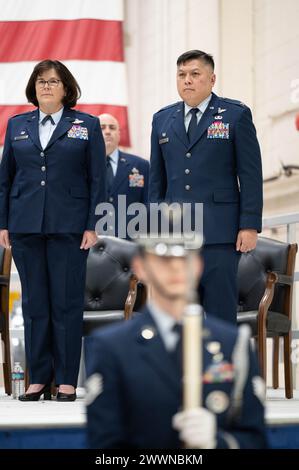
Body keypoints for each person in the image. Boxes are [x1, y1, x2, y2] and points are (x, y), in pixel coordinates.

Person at [85, 230, 267, 449]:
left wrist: (218, 443)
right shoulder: (112, 347)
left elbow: (255, 439)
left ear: (198, 266)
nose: (175, 267)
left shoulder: (232, 343)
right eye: (162, 259)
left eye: (184, 258)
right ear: (141, 268)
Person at [0, 60, 106, 401]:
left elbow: (97, 181)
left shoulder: (85, 125)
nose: (46, 86)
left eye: (54, 81)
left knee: (66, 303)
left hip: (71, 227)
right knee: (34, 304)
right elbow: (5, 181)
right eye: (41, 81)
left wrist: (93, 224)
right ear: (34, 87)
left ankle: (65, 380)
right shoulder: (17, 125)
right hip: (26, 225)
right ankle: (38, 378)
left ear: (66, 88)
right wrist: (3, 223)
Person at [149, 50, 263, 324]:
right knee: (178, 315)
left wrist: (248, 225)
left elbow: (250, 174)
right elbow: (157, 180)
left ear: (212, 79)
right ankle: (184, 368)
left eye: (195, 74)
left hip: (219, 234)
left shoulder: (235, 115)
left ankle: (219, 367)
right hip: (176, 236)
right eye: (182, 75)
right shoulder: (162, 119)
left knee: (218, 314)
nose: (187, 80)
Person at [99, 113, 149, 239]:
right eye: (102, 127)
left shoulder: (140, 165)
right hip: (91, 241)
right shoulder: (82, 165)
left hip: (130, 241)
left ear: (119, 134)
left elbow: (149, 203)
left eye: (112, 127)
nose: (108, 131)